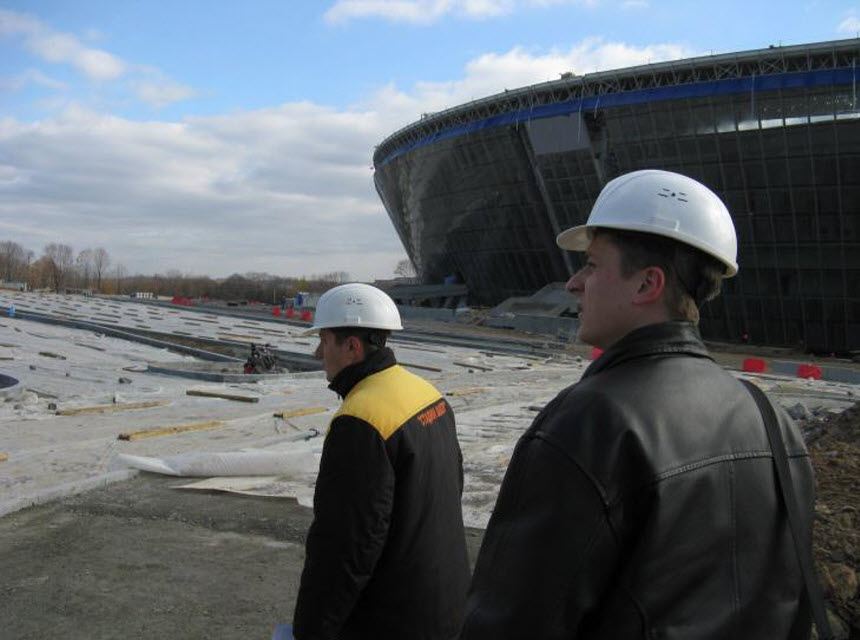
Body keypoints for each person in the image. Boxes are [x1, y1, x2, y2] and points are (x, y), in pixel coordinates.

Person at [459, 170, 816, 639]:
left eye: (591, 264)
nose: (573, 283)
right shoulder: (767, 417)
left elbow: (513, 622)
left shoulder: (592, 423)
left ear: (647, 284)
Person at [293, 283, 470, 640]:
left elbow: (346, 546)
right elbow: (453, 484)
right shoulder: (424, 392)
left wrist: (311, 630)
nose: (318, 352)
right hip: (447, 602)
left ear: (352, 347)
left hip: (395, 618)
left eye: (324, 341)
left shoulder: (360, 420)